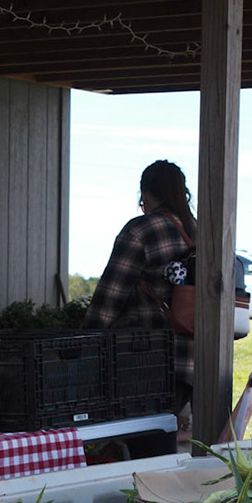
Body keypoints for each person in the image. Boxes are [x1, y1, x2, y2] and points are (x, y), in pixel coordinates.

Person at [83, 160, 198, 409]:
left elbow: (108, 300)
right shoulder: (198, 231)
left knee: (148, 444)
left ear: (145, 193)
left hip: (145, 362)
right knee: (166, 433)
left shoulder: (141, 231)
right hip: (192, 363)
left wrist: (81, 344)